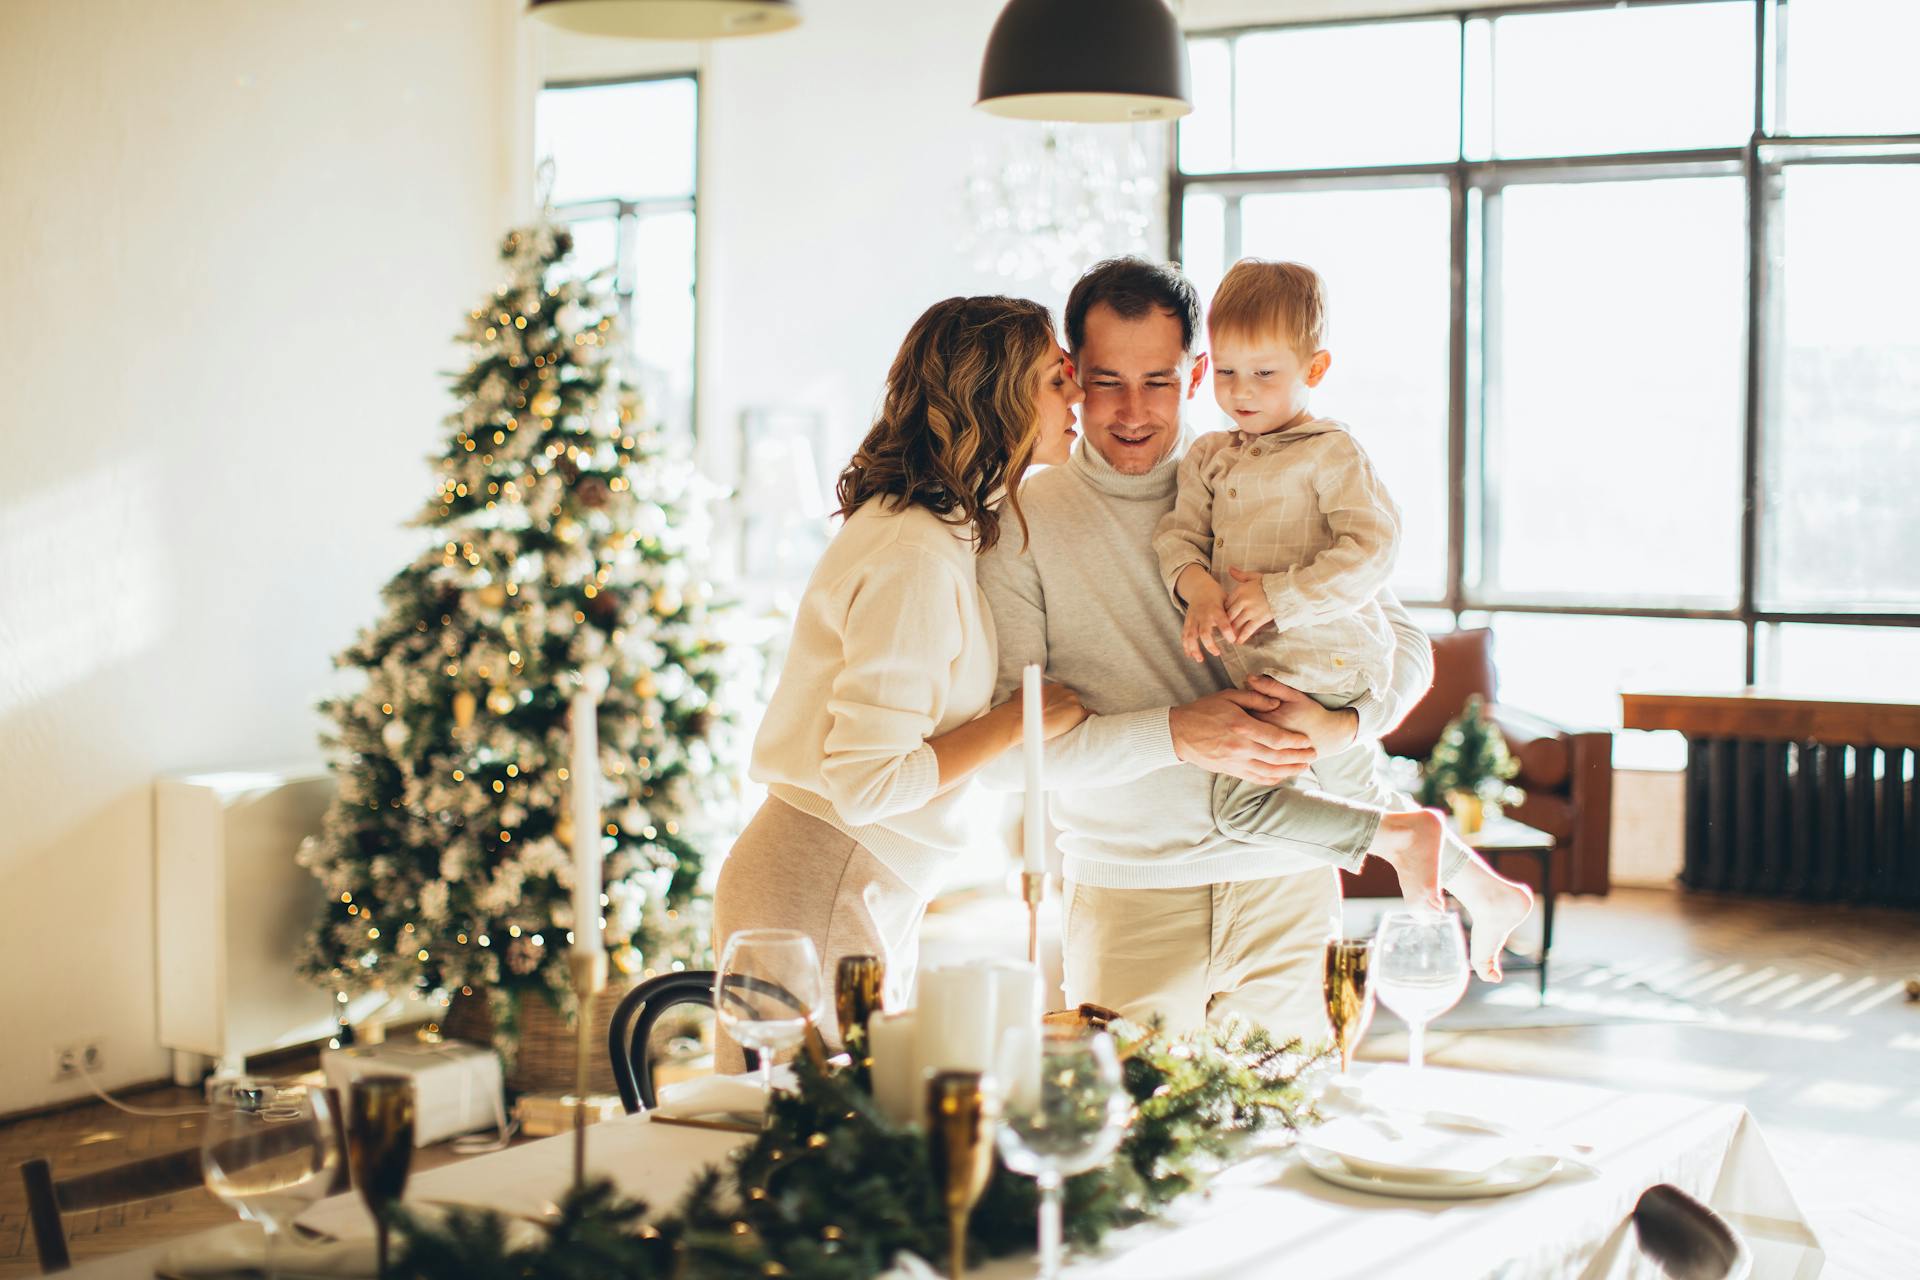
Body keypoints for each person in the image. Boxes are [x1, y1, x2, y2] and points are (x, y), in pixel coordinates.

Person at [978, 258, 1528, 1043]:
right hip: (1133, 896)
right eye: (1106, 381)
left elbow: (1400, 640)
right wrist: (1175, 731)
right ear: (1071, 375)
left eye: (1159, 381)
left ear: (1196, 374)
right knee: (1129, 1151)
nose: (1133, 412)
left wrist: (1348, 725)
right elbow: (1013, 753)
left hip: (1289, 888)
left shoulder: (1266, 468)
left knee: (1288, 1138)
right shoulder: (1020, 522)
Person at [713, 295, 1087, 1067]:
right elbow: (868, 783)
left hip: (852, 878)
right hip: (823, 880)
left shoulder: (935, 530)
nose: (1077, 394)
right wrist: (1020, 720)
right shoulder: (914, 554)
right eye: (1057, 378)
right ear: (1002, 396)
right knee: (821, 1162)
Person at [1155, 257, 1534, 966]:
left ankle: (1418, 854)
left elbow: (1374, 547)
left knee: (1243, 805)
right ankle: (1481, 890)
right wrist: (1199, 588)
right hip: (1274, 669)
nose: (1241, 392)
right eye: (1228, 372)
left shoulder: (1331, 453)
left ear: (1315, 368)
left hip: (1325, 658)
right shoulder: (1207, 455)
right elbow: (1176, 535)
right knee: (1361, 789)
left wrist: (1279, 595)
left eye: (1265, 374)